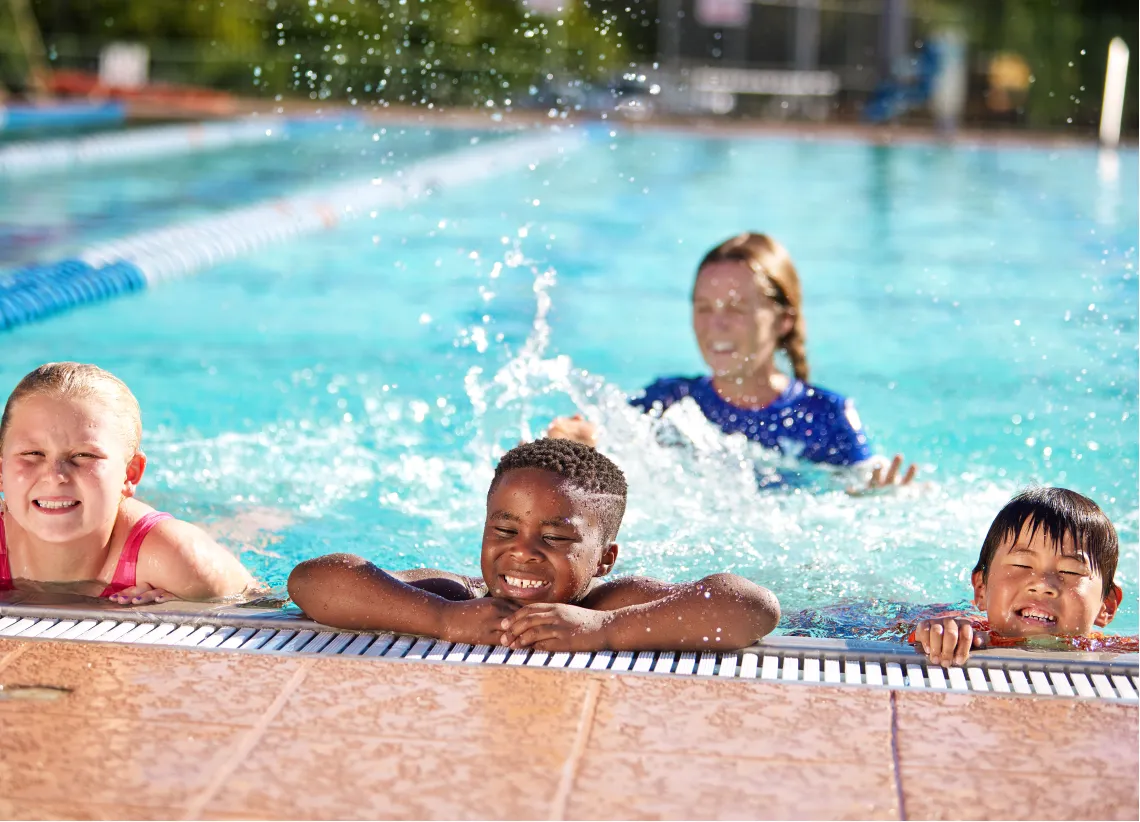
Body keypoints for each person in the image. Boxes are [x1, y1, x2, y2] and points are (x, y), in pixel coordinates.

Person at [288, 438, 781, 651]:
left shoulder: (612, 603)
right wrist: (438, 618)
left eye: (555, 537)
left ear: (605, 559)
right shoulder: (458, 597)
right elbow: (312, 581)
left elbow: (752, 607)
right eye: (504, 531)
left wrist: (606, 630)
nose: (522, 551)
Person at [547, 233, 916, 493]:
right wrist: (577, 443)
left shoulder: (827, 416)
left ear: (783, 320)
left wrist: (878, 498)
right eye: (703, 308)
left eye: (736, 308)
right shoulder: (670, 401)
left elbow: (866, 491)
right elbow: (611, 448)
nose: (715, 325)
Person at [0, 362, 260, 604]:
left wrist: (187, 603)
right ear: (1, 470)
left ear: (130, 474)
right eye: (32, 454)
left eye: (84, 455)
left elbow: (262, 604)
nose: (55, 476)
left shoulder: (178, 559)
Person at [910, 487, 1133, 667]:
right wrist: (937, 634)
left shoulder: (1114, 650)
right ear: (981, 589)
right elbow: (899, 633)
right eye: (1022, 564)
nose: (1042, 584)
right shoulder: (968, 633)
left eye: (1070, 571)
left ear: (1107, 606)